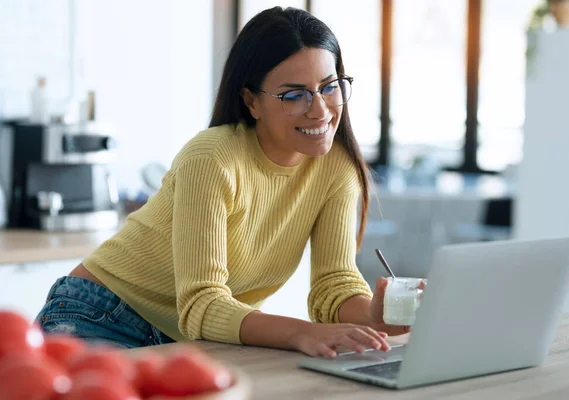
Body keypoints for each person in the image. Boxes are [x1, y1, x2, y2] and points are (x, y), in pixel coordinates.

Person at [35, 6, 412, 358]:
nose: (320, 110)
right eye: (294, 95)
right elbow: (203, 302)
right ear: (251, 102)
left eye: (330, 87)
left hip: (190, 342)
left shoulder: (336, 168)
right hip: (100, 313)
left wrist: (373, 315)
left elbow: (334, 284)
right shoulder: (212, 158)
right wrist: (302, 333)